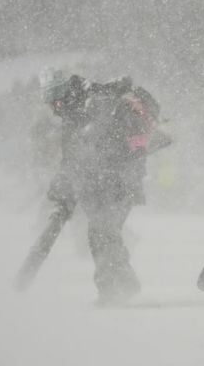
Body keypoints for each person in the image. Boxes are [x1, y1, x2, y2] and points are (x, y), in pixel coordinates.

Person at [38, 68, 159, 304]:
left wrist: (104, 172)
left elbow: (103, 148)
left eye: (52, 100)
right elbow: (71, 159)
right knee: (104, 234)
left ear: (62, 96)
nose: (51, 107)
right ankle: (124, 284)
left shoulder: (96, 104)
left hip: (118, 182)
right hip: (104, 184)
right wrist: (62, 189)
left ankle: (112, 290)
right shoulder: (74, 113)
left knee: (101, 233)